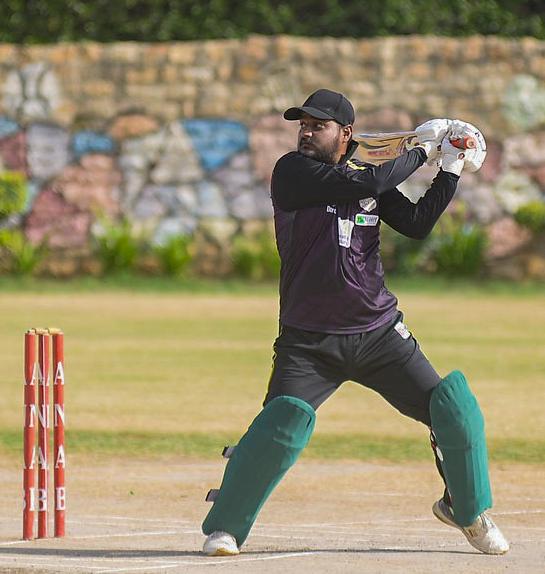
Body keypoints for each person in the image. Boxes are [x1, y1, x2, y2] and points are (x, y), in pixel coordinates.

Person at [201, 89, 508, 557]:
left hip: (379, 336)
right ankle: (225, 528)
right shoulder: (293, 172)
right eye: (303, 125)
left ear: (345, 133)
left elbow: (417, 223)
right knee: (277, 428)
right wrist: (423, 150)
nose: (306, 133)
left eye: (318, 126)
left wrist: (449, 170)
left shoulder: (365, 179)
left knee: (453, 410)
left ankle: (467, 510)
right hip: (309, 343)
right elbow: (369, 181)